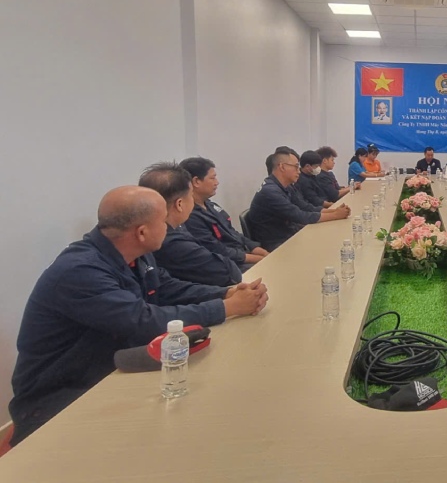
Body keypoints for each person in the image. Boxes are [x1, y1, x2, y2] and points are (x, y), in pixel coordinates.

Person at [7, 186, 268, 446]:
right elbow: (143, 321)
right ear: (142, 232)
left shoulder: (134, 254)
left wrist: (226, 293)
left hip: (109, 369)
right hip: (58, 397)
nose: (168, 227)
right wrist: (228, 308)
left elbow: (167, 288)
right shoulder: (80, 271)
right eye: (163, 222)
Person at [139, 163, 243, 286]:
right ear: (179, 204)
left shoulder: (175, 227)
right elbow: (229, 273)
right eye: (191, 195)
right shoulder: (171, 241)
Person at [247, 148, 351, 251]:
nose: (299, 172)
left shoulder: (285, 186)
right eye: (296, 167)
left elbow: (305, 206)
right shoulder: (270, 191)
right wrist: (335, 215)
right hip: (276, 243)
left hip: (289, 233)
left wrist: (334, 211)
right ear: (282, 167)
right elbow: (299, 215)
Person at [180, 157, 269, 271]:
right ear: (196, 181)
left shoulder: (211, 205)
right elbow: (218, 250)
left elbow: (233, 233)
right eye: (212, 178)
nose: (217, 182)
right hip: (227, 265)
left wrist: (259, 250)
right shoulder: (190, 217)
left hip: (241, 255)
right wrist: (258, 259)